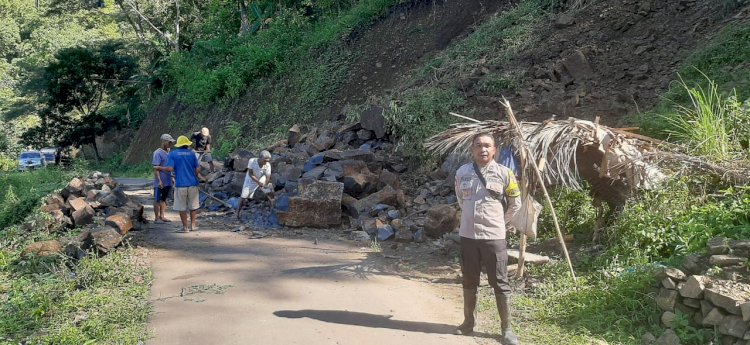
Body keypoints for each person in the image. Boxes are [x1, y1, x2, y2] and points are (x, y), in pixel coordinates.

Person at [453, 133, 522, 344]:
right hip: (468, 236)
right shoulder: (462, 172)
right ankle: (467, 323)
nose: (483, 149)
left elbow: (515, 203)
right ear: (472, 150)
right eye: (478, 146)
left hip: (494, 237)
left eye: (487, 146)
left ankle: (507, 330)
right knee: (469, 279)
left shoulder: (505, 173)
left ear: (495, 150)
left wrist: (500, 222)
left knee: (500, 282)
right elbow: (460, 199)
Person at [164, 135, 204, 233]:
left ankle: (185, 227)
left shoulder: (173, 154)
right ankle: (193, 225)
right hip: (192, 183)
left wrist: (160, 168)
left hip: (181, 184)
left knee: (181, 207)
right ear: (187, 144)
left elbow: (170, 169)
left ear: (178, 145)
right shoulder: (191, 153)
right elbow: (198, 169)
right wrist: (194, 174)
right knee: (193, 206)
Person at [237, 150, 273, 219]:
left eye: (268, 161)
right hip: (250, 180)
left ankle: (272, 210)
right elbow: (250, 174)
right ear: (260, 158)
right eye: (265, 160)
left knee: (269, 192)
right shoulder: (252, 161)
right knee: (244, 196)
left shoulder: (268, 165)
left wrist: (265, 184)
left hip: (262, 178)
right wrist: (258, 182)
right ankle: (238, 213)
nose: (266, 162)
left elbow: (268, 176)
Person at [152, 134, 175, 223]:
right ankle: (156, 218)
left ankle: (162, 216)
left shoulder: (169, 152)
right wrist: (159, 181)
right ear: (164, 142)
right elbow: (156, 168)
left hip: (168, 179)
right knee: (157, 199)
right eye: (169, 142)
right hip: (160, 180)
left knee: (164, 199)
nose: (170, 144)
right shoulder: (157, 153)